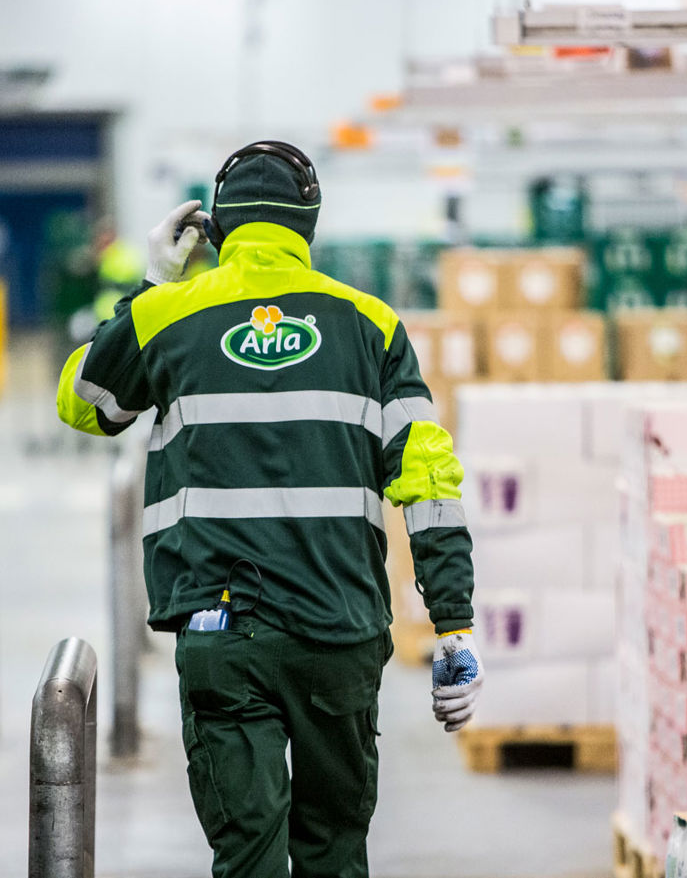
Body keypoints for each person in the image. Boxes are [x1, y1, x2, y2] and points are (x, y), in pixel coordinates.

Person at [56, 140, 483, 878]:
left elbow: (83, 403)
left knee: (246, 855)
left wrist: (151, 284)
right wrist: (452, 622)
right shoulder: (373, 325)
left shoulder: (167, 315)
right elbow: (429, 480)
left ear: (217, 226)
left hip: (224, 636)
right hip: (339, 631)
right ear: (307, 223)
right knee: (335, 852)